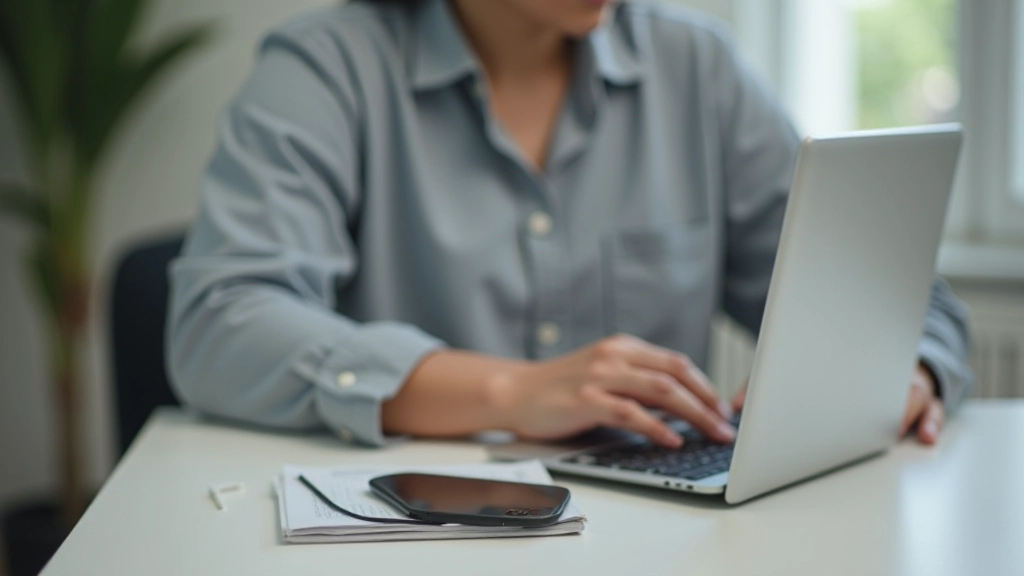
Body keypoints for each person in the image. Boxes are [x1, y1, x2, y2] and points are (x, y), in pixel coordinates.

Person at [167, 0, 973, 450]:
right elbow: (218, 326)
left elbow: (907, 302)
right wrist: (510, 391)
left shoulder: (699, 68)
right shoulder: (324, 67)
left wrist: (908, 374)